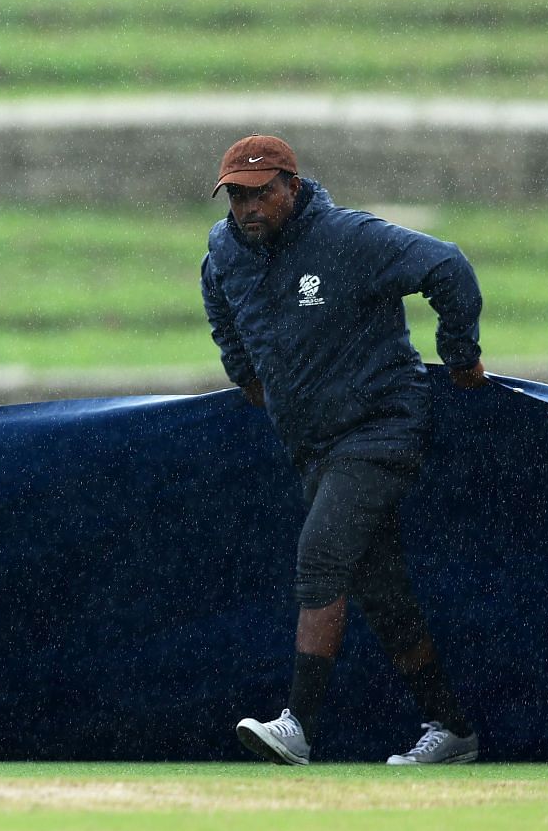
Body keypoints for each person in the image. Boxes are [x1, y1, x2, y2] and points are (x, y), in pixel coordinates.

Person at [200, 134, 485, 766]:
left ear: (291, 188)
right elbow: (223, 312)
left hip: (381, 425)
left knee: (320, 554)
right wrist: (247, 374)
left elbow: (448, 267)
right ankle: (452, 727)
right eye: (237, 195)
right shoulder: (223, 250)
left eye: (262, 192)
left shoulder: (349, 238)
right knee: (383, 593)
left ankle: (297, 725)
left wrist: (460, 356)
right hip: (313, 446)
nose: (249, 207)